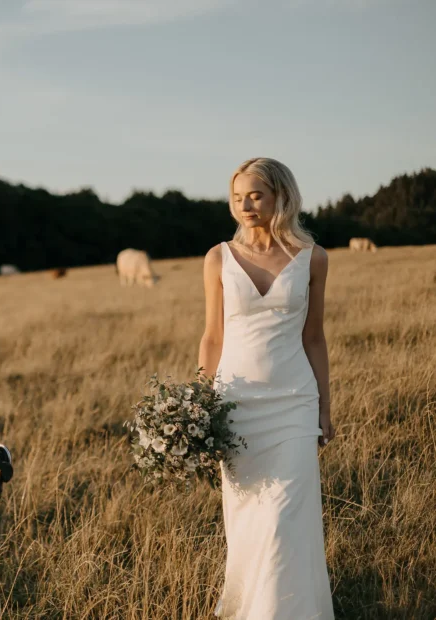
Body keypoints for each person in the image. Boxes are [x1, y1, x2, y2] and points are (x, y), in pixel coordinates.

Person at [198, 158, 336, 618]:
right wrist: (199, 406)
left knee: (283, 520)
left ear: (281, 196)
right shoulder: (218, 257)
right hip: (235, 406)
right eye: (238, 197)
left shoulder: (314, 258)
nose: (245, 205)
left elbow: (314, 337)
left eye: (255, 195)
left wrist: (325, 408)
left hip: (294, 403)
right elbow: (213, 336)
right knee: (248, 521)